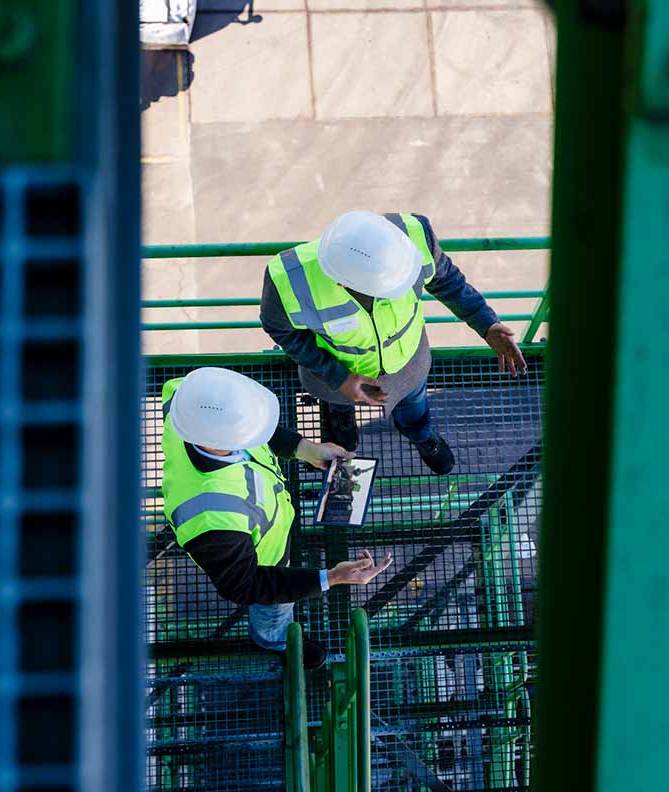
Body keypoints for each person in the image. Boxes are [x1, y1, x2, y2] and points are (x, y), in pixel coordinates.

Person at [260, 211, 528, 475]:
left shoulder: (413, 235)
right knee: (338, 407)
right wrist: (338, 377)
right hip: (334, 380)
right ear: (342, 283)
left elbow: (446, 280)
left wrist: (485, 322)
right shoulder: (289, 280)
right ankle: (343, 426)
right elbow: (281, 329)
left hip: (408, 367)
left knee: (414, 407)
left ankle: (421, 436)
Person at [160, 366, 393, 670]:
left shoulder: (187, 397)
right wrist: (332, 577)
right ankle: (275, 640)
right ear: (226, 440)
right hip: (266, 562)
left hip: (261, 528)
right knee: (273, 611)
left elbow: (259, 434)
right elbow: (245, 585)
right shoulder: (211, 518)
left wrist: (305, 450)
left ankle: (278, 637)